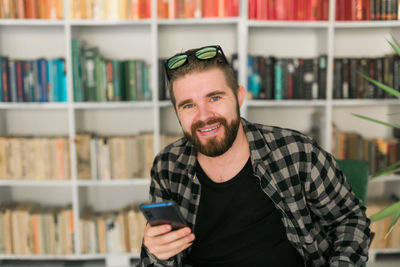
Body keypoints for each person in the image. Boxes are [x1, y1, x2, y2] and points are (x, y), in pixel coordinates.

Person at [140, 45, 371, 267]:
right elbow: (159, 259)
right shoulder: (167, 165)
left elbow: (349, 220)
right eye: (188, 105)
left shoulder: (298, 152)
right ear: (177, 113)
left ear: (239, 97)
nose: (204, 116)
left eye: (214, 98)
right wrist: (156, 252)